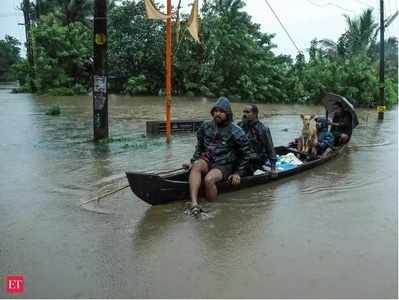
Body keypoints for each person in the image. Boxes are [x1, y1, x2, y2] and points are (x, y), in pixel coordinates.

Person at [183, 97, 253, 216]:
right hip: (208, 159)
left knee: (209, 180)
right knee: (196, 165)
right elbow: (199, 147)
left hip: (224, 164)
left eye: (221, 111)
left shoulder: (236, 131)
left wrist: (237, 173)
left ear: (227, 113)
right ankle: (194, 204)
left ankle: (212, 209)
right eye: (215, 111)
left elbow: (246, 154)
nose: (217, 114)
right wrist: (193, 161)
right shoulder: (206, 126)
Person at [238, 104, 277, 174]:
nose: (244, 114)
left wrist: (273, 168)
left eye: (247, 112)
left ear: (255, 114)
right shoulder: (240, 126)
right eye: (244, 112)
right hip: (243, 156)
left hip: (256, 158)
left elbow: (270, 148)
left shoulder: (263, 129)